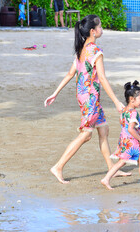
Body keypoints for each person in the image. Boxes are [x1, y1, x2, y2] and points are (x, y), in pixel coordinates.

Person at [44, 15, 130, 184]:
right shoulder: (95, 52)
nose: (102, 28)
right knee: (86, 135)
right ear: (93, 31)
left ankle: (111, 169)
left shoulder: (82, 49)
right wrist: (116, 101)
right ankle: (58, 167)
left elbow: (71, 74)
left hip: (86, 96)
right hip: (90, 98)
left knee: (103, 130)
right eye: (100, 26)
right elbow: (103, 79)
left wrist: (55, 93)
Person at [101, 81, 140, 190]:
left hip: (124, 139)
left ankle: (106, 179)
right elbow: (131, 129)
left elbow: (124, 125)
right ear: (132, 99)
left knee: (122, 161)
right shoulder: (133, 113)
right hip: (132, 141)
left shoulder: (124, 110)